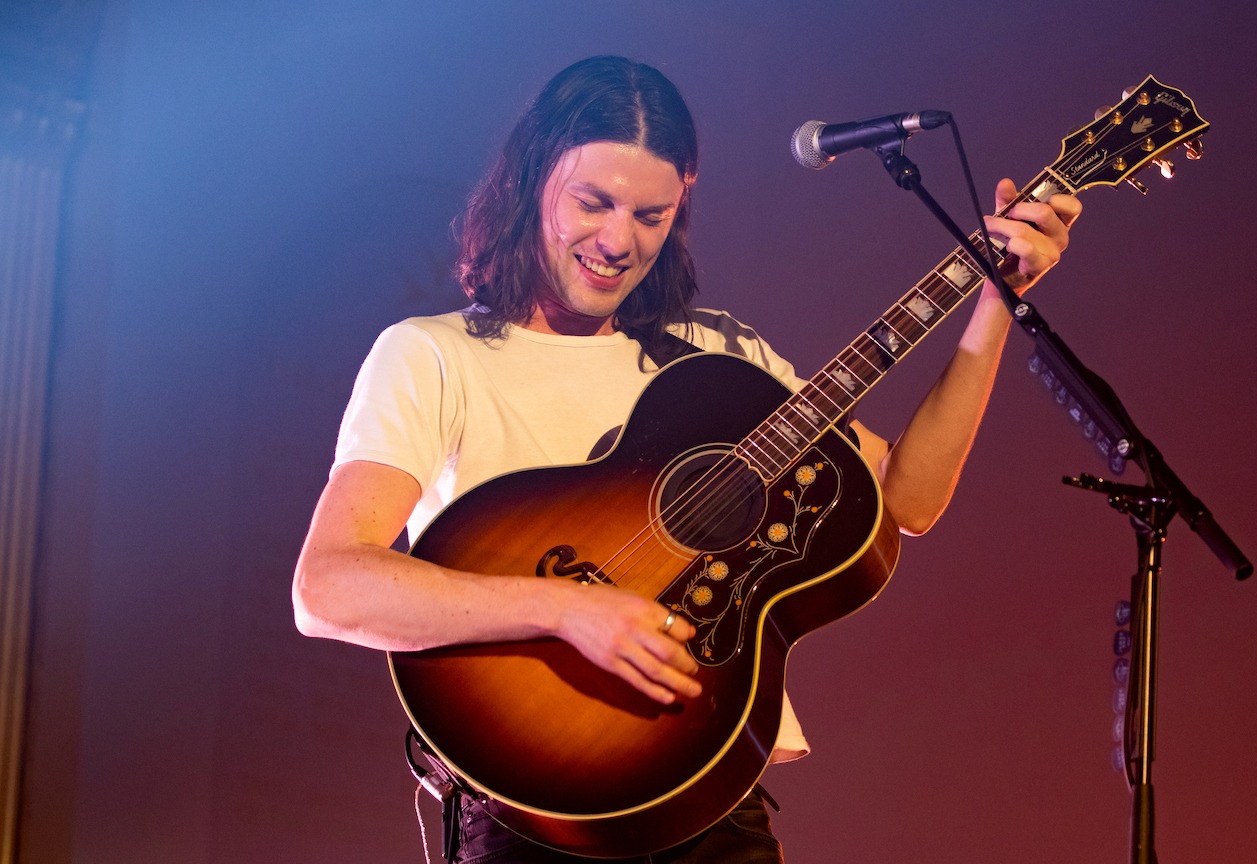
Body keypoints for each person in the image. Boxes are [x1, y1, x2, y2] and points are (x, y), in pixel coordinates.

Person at [292, 55, 1079, 863]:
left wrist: (995, 303)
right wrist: (568, 609)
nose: (617, 241)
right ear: (532, 180)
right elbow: (328, 587)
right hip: (534, 813)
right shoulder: (434, 355)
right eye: (593, 203)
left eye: (651, 215)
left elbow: (907, 500)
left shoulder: (716, 358)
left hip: (713, 796)